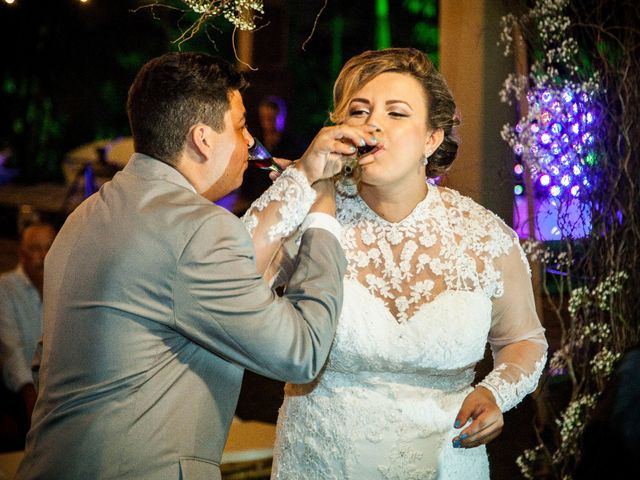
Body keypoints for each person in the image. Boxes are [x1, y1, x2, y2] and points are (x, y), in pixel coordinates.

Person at [15, 52, 374, 480]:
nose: (249, 143)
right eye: (240, 127)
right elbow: (302, 352)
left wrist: (301, 179)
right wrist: (321, 213)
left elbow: (45, 363)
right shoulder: (198, 230)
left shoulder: (85, 217)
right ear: (202, 138)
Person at [242, 48, 548, 478]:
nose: (373, 124)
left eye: (397, 113)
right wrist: (303, 178)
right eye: (359, 111)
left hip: (446, 463)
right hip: (323, 462)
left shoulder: (485, 237)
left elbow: (525, 340)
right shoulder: (312, 213)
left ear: (432, 138)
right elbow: (232, 280)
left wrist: (496, 392)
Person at [0, 222, 56, 432]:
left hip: (54, 391)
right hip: (20, 396)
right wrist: (29, 394)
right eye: (36, 248)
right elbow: (10, 348)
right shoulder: (5, 288)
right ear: (22, 253)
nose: (43, 255)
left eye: (49, 247)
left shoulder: (59, 285)